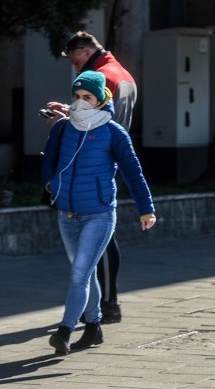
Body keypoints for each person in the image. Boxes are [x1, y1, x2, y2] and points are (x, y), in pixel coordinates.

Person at [41, 71, 156, 356]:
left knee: (80, 273)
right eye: (77, 97)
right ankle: (93, 326)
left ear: (101, 100)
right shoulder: (63, 128)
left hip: (99, 215)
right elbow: (49, 159)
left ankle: (65, 330)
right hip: (66, 214)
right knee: (84, 272)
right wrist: (51, 183)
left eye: (87, 97)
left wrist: (146, 209)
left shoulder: (113, 132)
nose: (80, 103)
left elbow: (133, 173)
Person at [45, 31, 138, 324]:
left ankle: (106, 306)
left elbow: (95, 125)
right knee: (101, 238)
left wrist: (64, 124)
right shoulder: (122, 72)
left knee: (101, 238)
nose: (75, 68)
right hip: (107, 166)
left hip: (95, 167)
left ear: (84, 51)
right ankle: (99, 305)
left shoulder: (101, 75)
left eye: (74, 61)